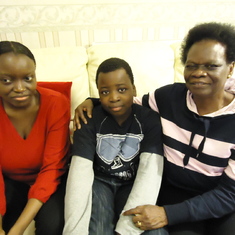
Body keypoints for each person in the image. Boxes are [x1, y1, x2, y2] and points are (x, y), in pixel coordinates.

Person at [73, 22, 235, 235]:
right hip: (173, 192)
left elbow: (229, 195)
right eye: (191, 65)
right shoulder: (168, 98)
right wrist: (91, 101)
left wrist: (167, 214)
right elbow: (125, 102)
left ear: (230, 68)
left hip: (218, 197)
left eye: (211, 66)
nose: (199, 73)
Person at [63, 58, 167, 235]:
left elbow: (149, 173)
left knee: (152, 231)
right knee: (98, 229)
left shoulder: (149, 120)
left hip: (133, 183)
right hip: (100, 182)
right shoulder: (87, 119)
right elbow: (79, 174)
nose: (113, 97)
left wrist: (125, 231)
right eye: (105, 92)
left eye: (122, 89)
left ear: (134, 89)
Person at [0, 41, 71, 235]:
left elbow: (52, 167)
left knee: (52, 227)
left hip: (53, 180)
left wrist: (17, 230)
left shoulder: (56, 104)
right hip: (11, 182)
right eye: (7, 80)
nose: (20, 88)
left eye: (27, 78)